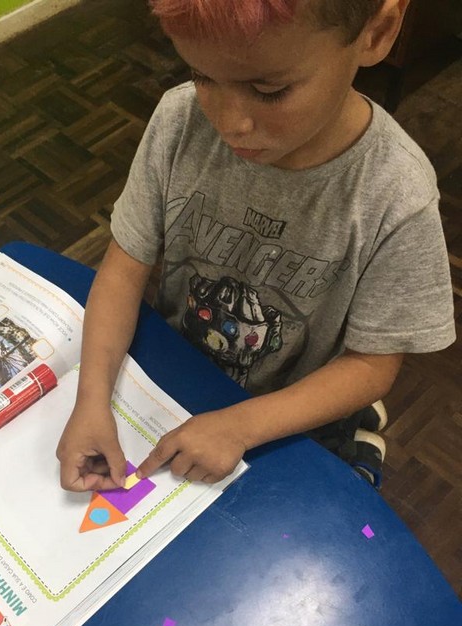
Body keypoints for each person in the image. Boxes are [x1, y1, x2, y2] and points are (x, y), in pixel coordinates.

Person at [56, 0, 455, 492]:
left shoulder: (396, 194)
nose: (229, 123)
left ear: (376, 33)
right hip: (180, 376)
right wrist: (91, 400)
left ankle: (357, 435)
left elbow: (371, 364)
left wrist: (241, 427)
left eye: (269, 90)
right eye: (202, 75)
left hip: (289, 418)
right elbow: (122, 270)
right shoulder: (179, 121)